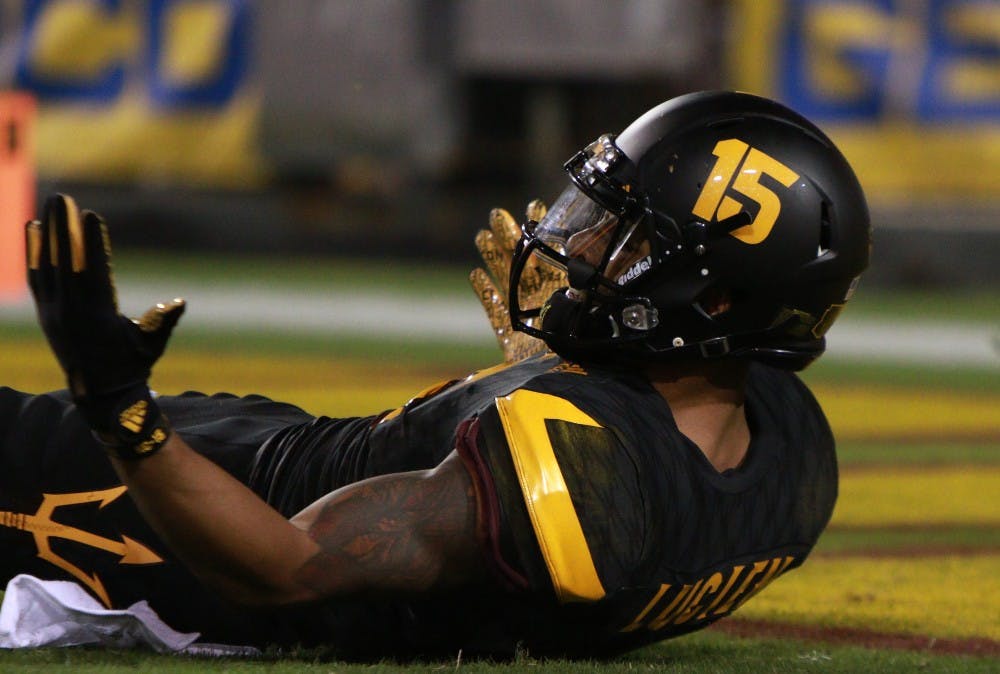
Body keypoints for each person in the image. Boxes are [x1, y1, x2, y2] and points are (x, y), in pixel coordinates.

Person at [1, 91, 870, 659]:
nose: (587, 244)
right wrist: (557, 376)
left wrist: (122, 413)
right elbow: (636, 505)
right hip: (277, 443)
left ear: (713, 304)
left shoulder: (580, 478)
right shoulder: (787, 454)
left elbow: (286, 571)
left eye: (629, 236)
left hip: (189, 516)